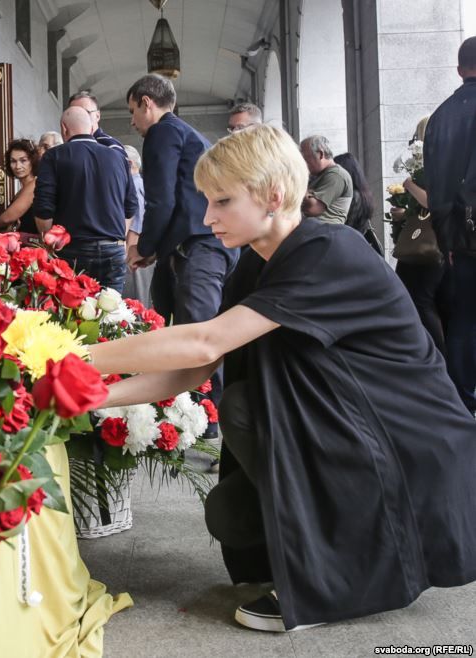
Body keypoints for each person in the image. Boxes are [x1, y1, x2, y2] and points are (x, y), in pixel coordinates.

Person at [88, 124, 476, 633]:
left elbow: (203, 341)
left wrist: (70, 357)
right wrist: (93, 396)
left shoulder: (328, 250)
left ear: (273, 196)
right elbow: (196, 367)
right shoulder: (256, 263)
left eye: (222, 200)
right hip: (351, 428)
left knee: (244, 409)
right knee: (231, 517)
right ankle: (319, 547)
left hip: (408, 447)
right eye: (206, 201)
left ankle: (343, 578)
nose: (207, 217)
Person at [126, 73, 238, 437]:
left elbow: (162, 200)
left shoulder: (163, 131)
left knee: (198, 334)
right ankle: (183, 409)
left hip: (200, 247)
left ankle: (211, 419)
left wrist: (143, 248)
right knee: (169, 324)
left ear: (147, 103)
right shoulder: (186, 134)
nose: (132, 123)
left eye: (132, 112)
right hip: (193, 245)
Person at [424, 36, 476, 414]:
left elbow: (436, 185)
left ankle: (463, 402)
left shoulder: (440, 117)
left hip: (459, 239)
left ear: (460, 70)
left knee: (462, 320)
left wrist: (448, 242)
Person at [34, 107, 137, 293]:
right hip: (112, 250)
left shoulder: (54, 156)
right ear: (91, 129)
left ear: (64, 129)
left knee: (71, 316)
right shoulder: (118, 157)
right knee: (111, 315)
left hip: (71, 250)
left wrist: (49, 244)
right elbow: (131, 206)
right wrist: (116, 238)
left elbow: (43, 207)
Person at [388, 117, 448, 355]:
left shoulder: (440, 163)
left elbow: (432, 202)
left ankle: (436, 356)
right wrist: (402, 213)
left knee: (422, 300)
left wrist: (409, 185)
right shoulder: (428, 164)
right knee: (413, 298)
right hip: (424, 241)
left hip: (433, 244)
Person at [334, 152, 382, 255]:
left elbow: (346, 227)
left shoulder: (354, 197)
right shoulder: (364, 194)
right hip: (357, 247)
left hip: (349, 249)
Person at [122, 144, 152, 305]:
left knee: (136, 305)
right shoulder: (141, 184)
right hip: (140, 252)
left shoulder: (133, 186)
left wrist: (128, 253)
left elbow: (137, 222)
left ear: (128, 164)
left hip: (134, 252)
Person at [299, 135, 352, 224]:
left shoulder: (336, 175)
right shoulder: (319, 176)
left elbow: (313, 209)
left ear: (320, 154)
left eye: (305, 158)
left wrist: (296, 182)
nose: (302, 163)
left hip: (324, 233)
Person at [0, 138, 40, 240]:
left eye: (23, 160)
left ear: (32, 161)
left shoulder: (35, 184)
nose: (17, 166)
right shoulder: (21, 190)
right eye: (13, 161)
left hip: (34, 249)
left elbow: (6, 219)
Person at [68, 91, 127, 157]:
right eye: (75, 114)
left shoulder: (111, 147)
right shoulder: (65, 148)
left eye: (86, 112)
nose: (80, 118)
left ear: (97, 116)